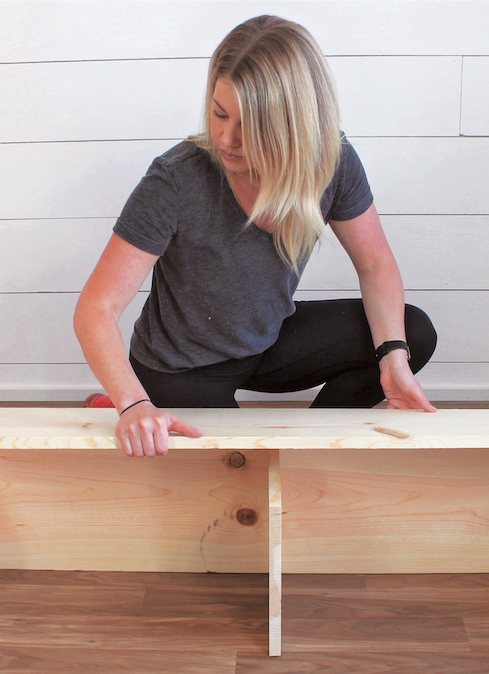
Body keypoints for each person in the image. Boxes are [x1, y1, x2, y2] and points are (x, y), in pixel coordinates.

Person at [74, 15, 438, 458]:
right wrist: (134, 403)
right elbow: (96, 308)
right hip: (181, 368)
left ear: (293, 126)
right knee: (232, 479)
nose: (226, 139)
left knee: (411, 332)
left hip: (267, 339)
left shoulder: (332, 163)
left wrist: (393, 358)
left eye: (249, 125)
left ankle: (310, 448)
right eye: (219, 113)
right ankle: (119, 405)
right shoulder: (175, 179)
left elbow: (376, 264)